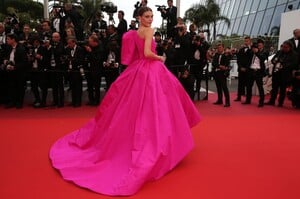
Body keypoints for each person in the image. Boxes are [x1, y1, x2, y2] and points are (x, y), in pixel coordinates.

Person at [49, 7, 200, 196]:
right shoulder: (149, 31)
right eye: (146, 16)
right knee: (159, 107)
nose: (150, 19)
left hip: (136, 71)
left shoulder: (132, 33)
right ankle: (163, 143)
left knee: (135, 108)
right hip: (151, 70)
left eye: (152, 16)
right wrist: (160, 57)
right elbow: (146, 53)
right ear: (139, 17)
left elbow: (131, 58)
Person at [243, 41, 267, 107]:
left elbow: (263, 59)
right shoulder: (251, 52)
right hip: (251, 71)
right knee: (249, 86)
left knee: (260, 87)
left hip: (258, 71)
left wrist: (257, 52)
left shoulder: (264, 52)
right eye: (256, 46)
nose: (257, 47)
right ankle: (248, 100)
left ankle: (261, 102)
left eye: (259, 45)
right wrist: (249, 47)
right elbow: (246, 53)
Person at [212, 43, 231, 107]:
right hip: (216, 72)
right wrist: (220, 66)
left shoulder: (226, 55)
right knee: (218, 87)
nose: (219, 49)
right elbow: (213, 63)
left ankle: (227, 102)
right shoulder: (216, 55)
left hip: (222, 73)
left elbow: (227, 63)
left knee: (224, 87)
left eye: (220, 47)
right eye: (218, 47)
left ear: (223, 48)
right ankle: (220, 100)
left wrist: (224, 67)